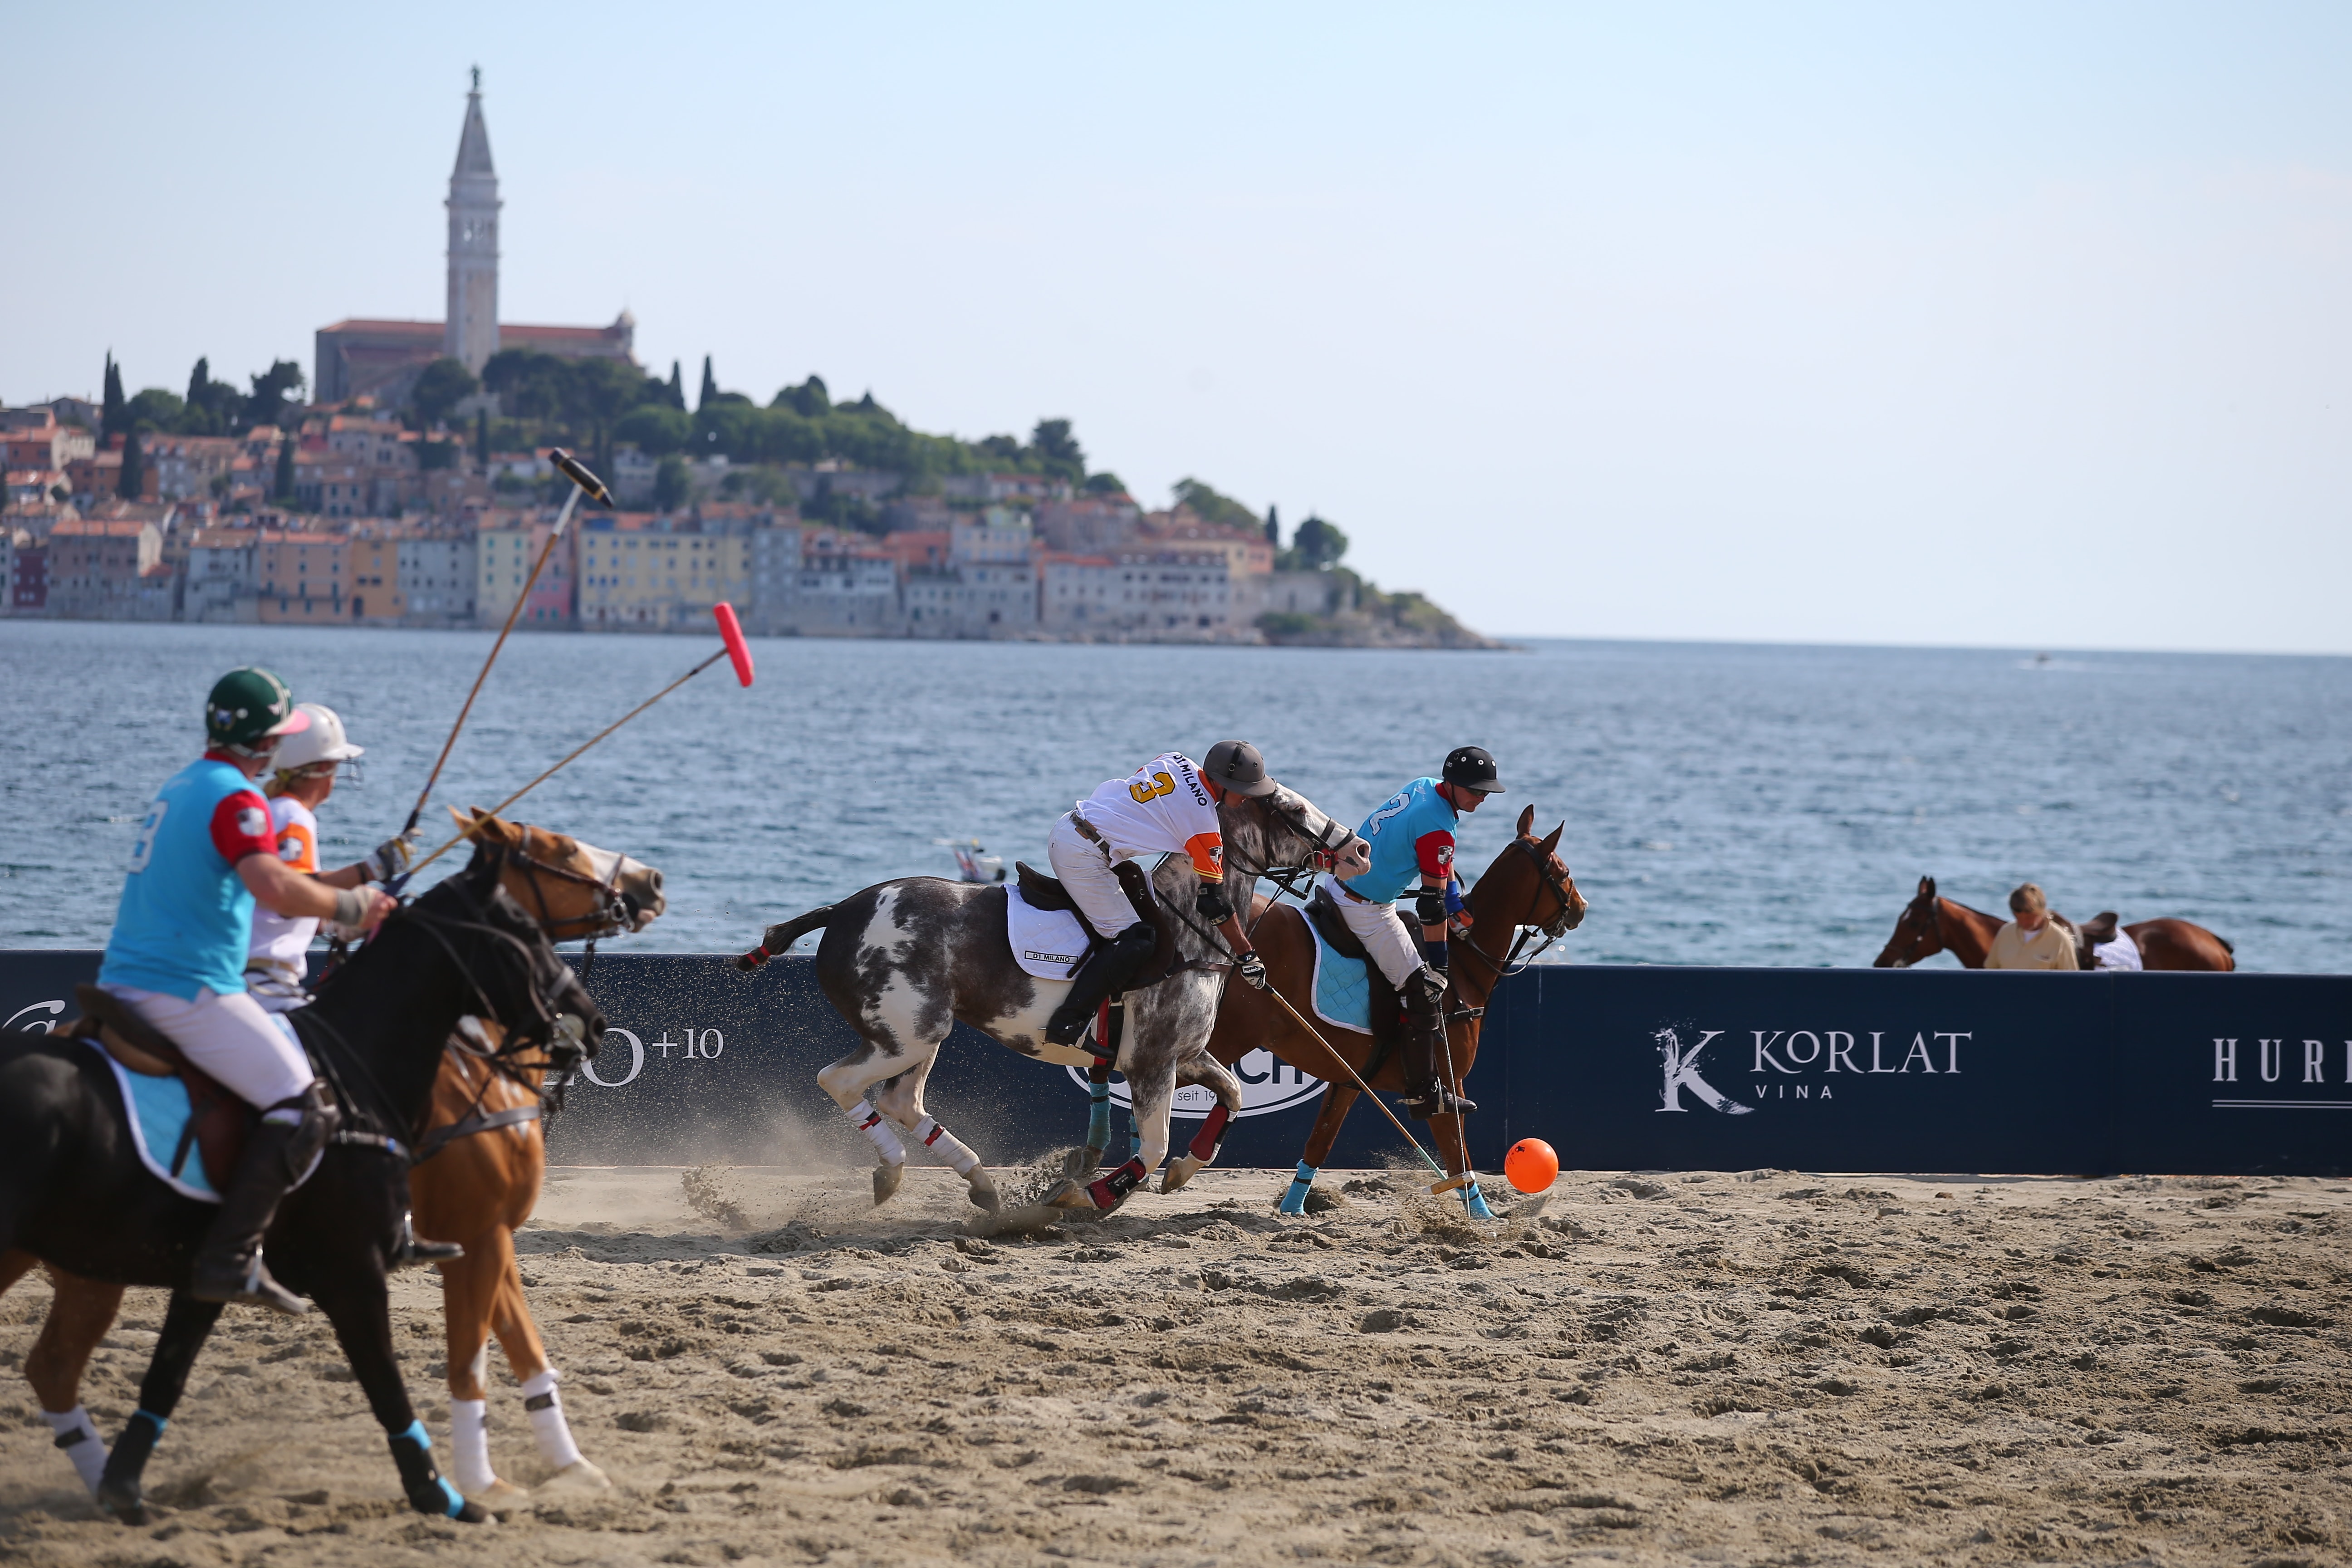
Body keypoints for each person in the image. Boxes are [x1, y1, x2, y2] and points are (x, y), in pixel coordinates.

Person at [97, 668, 396, 1314]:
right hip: (189, 986)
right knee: (304, 1106)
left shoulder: (180, 784)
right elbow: (276, 888)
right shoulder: (238, 800)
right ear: (263, 743)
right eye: (277, 736)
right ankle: (231, 1256)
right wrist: (355, 905)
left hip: (120, 979)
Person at [1042, 741, 1274, 1049]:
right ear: (1222, 782)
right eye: (1243, 789)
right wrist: (1246, 954)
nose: (1247, 797)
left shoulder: (1175, 760)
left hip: (1073, 826)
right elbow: (1213, 902)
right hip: (1082, 854)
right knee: (1136, 940)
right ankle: (1068, 1024)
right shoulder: (1204, 826)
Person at [1325, 746, 1506, 1118]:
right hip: (1366, 910)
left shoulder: (1424, 786)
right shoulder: (1439, 828)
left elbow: (1440, 863)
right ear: (1453, 785)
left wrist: (1453, 899)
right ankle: (1424, 1093)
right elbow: (1430, 906)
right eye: (1476, 790)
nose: (1483, 797)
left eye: (1487, 792)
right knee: (1423, 991)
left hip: (1337, 885)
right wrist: (1439, 967)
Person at [245, 703, 418, 1013]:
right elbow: (294, 893)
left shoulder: (273, 810)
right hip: (266, 986)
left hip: (253, 978)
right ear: (323, 769)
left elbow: (276, 907)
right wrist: (372, 869)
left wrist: (332, 924)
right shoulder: (294, 816)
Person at [1983, 882, 2079, 970]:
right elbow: (1990, 969)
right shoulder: (2005, 933)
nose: (2024, 922)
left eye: (2030, 918)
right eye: (2019, 918)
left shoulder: (2061, 940)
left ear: (2042, 911)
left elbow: (2070, 979)